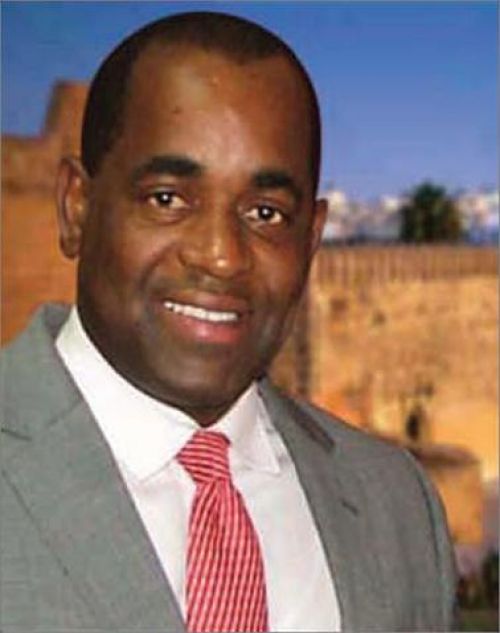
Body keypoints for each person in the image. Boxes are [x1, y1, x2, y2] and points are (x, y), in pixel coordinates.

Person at [0, 11, 456, 632]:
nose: (220, 255)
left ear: (311, 239)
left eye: (265, 213)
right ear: (76, 207)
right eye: (167, 199)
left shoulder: (398, 507)